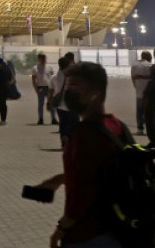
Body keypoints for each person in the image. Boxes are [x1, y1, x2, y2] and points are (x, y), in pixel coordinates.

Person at [32, 62, 128, 247]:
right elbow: (100, 172)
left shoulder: (85, 134)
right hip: (116, 228)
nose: (69, 91)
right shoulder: (115, 125)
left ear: (96, 94)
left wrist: (61, 229)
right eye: (67, 85)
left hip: (89, 234)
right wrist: (59, 180)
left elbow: (84, 192)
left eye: (75, 85)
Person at [50, 57, 76, 149]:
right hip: (71, 104)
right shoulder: (71, 76)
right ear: (68, 65)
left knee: (62, 123)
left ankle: (63, 142)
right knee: (73, 123)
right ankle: (68, 136)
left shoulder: (54, 77)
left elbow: (51, 91)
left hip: (59, 105)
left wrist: (49, 102)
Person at [130, 51, 153, 136]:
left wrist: (136, 87)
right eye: (150, 57)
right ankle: (151, 128)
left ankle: (140, 129)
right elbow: (153, 77)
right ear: (148, 57)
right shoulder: (150, 66)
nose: (151, 58)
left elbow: (132, 78)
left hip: (139, 92)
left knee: (139, 112)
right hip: (149, 93)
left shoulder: (135, 65)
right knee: (149, 112)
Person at [31, 54, 57, 125]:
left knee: (51, 104)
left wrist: (54, 87)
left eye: (44, 59)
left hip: (49, 88)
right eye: (42, 59)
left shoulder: (49, 68)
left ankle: (53, 119)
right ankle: (40, 119)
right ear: (39, 59)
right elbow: (33, 79)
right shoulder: (35, 68)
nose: (43, 60)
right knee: (40, 104)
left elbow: (52, 78)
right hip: (41, 88)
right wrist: (36, 89)